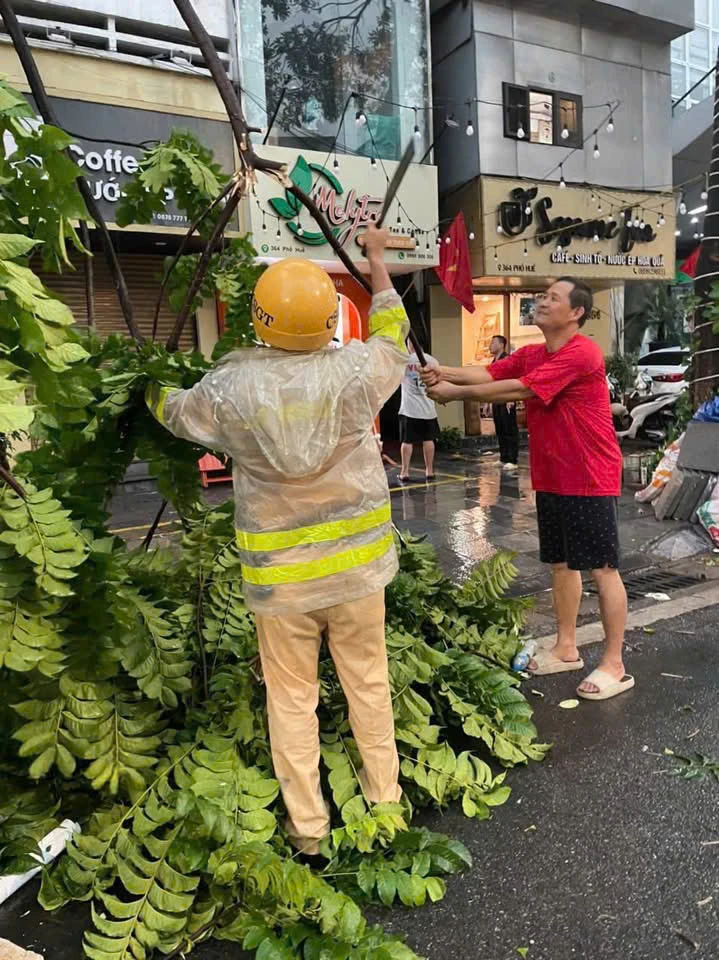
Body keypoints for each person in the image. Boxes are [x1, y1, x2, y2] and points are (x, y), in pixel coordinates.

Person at [146, 225, 405, 853]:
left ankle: (308, 833)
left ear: (259, 321)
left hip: (281, 585)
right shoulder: (357, 372)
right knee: (369, 686)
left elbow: (172, 411)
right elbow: (393, 333)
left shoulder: (229, 389)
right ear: (329, 318)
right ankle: (385, 811)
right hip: (359, 579)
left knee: (292, 702)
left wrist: (144, 382)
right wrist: (374, 263)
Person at [421, 277, 632, 701]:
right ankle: (566, 647)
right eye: (542, 295)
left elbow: (519, 389)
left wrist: (453, 394)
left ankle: (615, 663)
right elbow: (490, 371)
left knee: (602, 568)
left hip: (589, 475)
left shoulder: (581, 352)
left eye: (552, 297)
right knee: (560, 564)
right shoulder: (536, 353)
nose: (542, 301)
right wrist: (445, 372)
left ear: (575, 313)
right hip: (552, 474)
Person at [398, 344, 440, 482]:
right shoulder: (432, 361)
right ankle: (429, 470)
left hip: (409, 408)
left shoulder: (404, 360)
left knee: (407, 441)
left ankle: (404, 472)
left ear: (411, 345)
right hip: (428, 408)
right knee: (428, 439)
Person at [488, 334, 519, 472]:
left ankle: (512, 459)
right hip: (496, 398)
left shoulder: (507, 359)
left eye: (493, 342)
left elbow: (511, 378)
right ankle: (503, 457)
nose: (491, 345)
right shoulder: (494, 360)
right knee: (500, 428)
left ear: (501, 345)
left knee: (509, 429)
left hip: (506, 399)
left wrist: (510, 398)